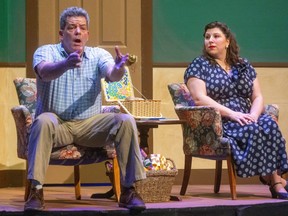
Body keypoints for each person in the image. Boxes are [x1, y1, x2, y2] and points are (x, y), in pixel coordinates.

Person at [24, 6, 146, 211]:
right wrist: (65, 64)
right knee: (43, 120)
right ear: (62, 33)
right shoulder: (46, 51)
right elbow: (44, 72)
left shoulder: (98, 55)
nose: (78, 32)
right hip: (57, 125)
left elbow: (112, 74)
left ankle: (129, 190)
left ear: (88, 34)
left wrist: (118, 68)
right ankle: (36, 191)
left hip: (89, 126)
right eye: (72, 27)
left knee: (125, 121)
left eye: (82, 28)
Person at [184, 21, 288, 199]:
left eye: (216, 36)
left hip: (247, 115)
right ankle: (275, 181)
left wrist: (254, 115)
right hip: (220, 120)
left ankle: (273, 178)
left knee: (268, 123)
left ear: (227, 41)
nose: (210, 40)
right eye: (207, 37)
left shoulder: (243, 65)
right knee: (252, 128)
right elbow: (199, 98)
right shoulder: (199, 65)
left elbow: (257, 97)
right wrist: (232, 114)